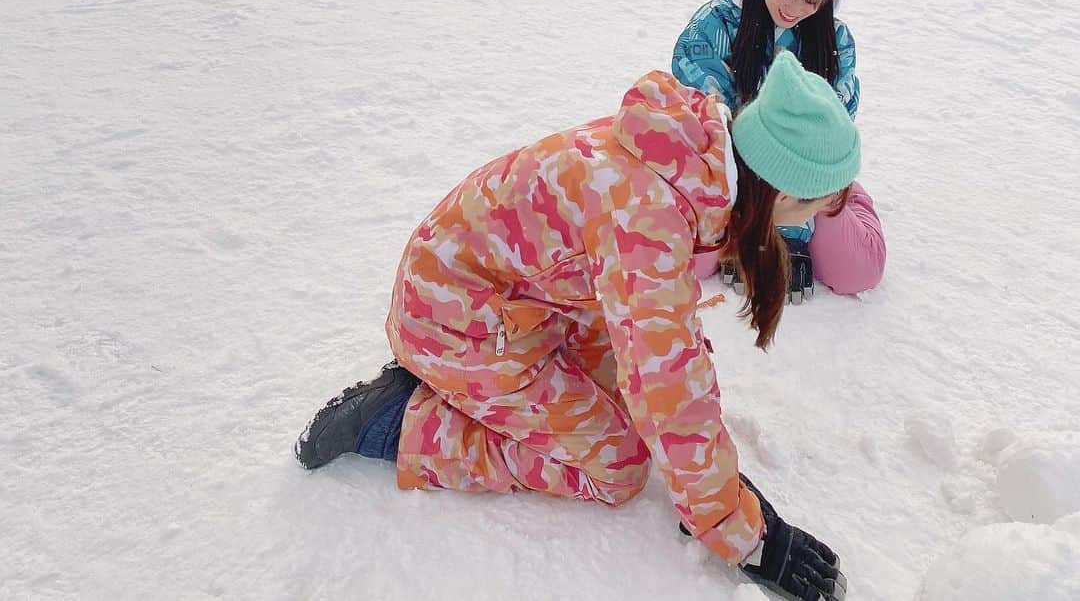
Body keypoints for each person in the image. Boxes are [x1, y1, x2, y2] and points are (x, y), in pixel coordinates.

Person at [295, 52, 858, 600]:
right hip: (451, 319)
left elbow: (666, 352)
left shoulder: (689, 153)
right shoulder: (649, 216)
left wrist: (711, 481)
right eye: (813, 210)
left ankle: (464, 387)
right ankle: (398, 422)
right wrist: (741, 529)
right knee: (618, 466)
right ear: (783, 190)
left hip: (513, 302)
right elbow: (668, 388)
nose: (806, 226)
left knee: (640, 420)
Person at [672, 0, 885, 299]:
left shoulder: (834, 39)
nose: (794, 9)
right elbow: (704, 121)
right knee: (686, 263)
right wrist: (748, 218)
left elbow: (827, 136)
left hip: (804, 180)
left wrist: (790, 226)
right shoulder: (714, 27)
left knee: (859, 271)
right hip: (727, 172)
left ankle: (849, 198)